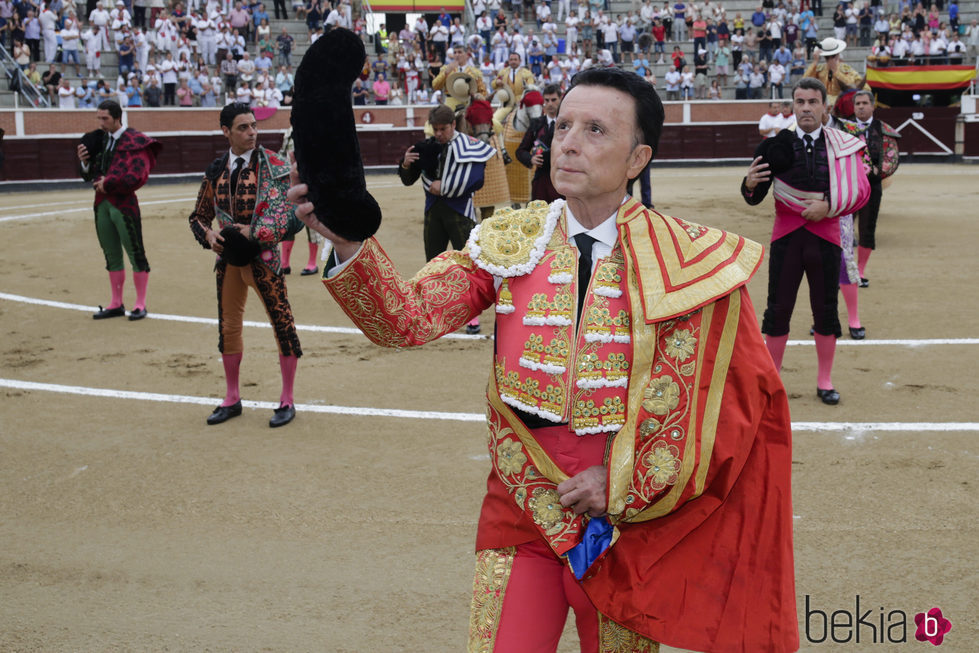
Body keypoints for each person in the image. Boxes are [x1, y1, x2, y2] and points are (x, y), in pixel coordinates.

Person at [291, 66, 798, 653]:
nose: (569, 143)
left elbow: (726, 405)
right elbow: (406, 317)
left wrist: (625, 483)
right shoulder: (509, 238)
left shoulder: (683, 261)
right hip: (521, 505)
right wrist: (347, 242)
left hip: (624, 525)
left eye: (595, 130)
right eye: (563, 127)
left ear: (637, 160)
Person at [741, 77, 871, 405]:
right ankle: (773, 380)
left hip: (825, 239)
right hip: (787, 239)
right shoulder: (775, 146)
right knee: (778, 310)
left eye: (813, 102)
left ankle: (824, 380)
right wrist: (748, 183)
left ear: (825, 106)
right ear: (793, 106)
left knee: (825, 310)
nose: (806, 108)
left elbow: (860, 192)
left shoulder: (842, 144)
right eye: (800, 102)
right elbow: (753, 197)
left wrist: (829, 206)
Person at [187, 103, 302, 428]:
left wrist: (258, 231)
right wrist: (208, 236)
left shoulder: (276, 164)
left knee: (282, 325)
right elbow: (197, 216)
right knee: (228, 326)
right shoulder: (216, 169)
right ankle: (232, 397)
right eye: (243, 127)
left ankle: (287, 399)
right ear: (226, 131)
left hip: (264, 258)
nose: (252, 132)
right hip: (228, 261)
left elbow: (293, 214)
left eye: (253, 126)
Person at [398, 104, 494, 329]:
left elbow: (476, 180)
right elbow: (407, 179)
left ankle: (471, 313)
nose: (439, 134)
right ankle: (434, 309)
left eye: (443, 129)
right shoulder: (426, 147)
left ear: (453, 125)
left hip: (461, 213)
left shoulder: (470, 146)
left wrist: (445, 187)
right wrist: (405, 164)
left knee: (468, 264)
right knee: (433, 262)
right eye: (435, 129)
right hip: (433, 212)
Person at [77, 100, 162, 320]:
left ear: (117, 118)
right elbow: (89, 174)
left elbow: (138, 175)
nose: (101, 122)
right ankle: (116, 303)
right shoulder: (99, 141)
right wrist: (85, 163)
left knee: (135, 252)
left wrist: (110, 182)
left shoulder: (134, 140)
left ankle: (140, 304)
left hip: (124, 204)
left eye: (104, 118)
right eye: (99, 118)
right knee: (111, 254)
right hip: (101, 205)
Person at [850, 89, 899, 288]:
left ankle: (860, 272)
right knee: (842, 228)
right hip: (848, 185)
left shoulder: (883, 128)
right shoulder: (845, 128)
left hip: (872, 185)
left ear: (872, 106)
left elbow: (892, 156)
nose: (861, 107)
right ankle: (844, 269)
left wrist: (878, 171)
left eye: (864, 103)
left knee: (867, 228)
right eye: (857, 104)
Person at [516, 83, 563, 203]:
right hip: (541, 180)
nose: (550, 104)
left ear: (561, 99)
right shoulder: (537, 124)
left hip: (563, 178)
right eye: (547, 100)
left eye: (553, 100)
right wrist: (531, 159)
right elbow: (521, 151)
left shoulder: (568, 124)